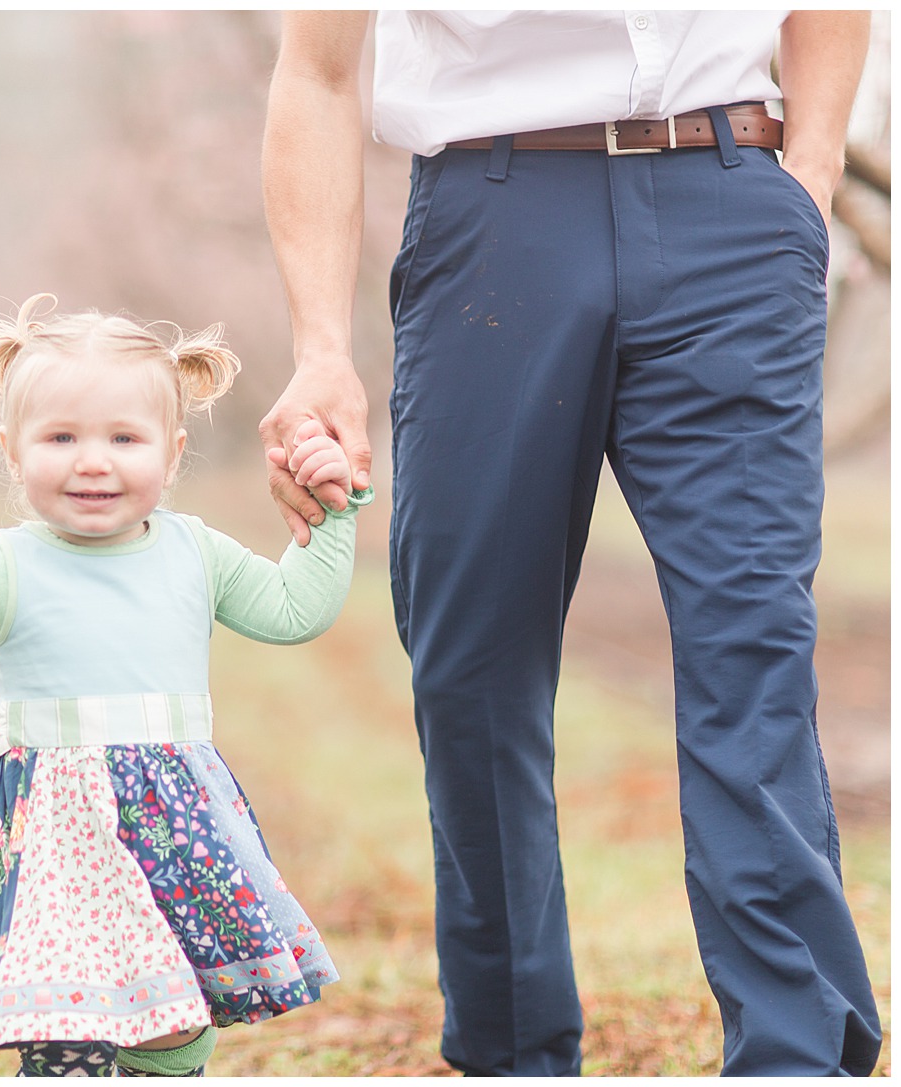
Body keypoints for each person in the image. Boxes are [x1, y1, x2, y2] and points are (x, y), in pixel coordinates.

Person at [257, 9, 881, 1077]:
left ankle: (796, 1053)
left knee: (754, 645)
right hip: (495, 217)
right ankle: (512, 1051)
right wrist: (321, 350)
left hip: (729, 197)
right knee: (472, 662)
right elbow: (316, 72)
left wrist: (809, 189)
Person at [0, 294, 367, 1077]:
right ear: (13, 453)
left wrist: (335, 508)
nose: (93, 460)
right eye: (61, 437)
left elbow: (295, 610)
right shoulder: (6, 563)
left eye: (124, 437)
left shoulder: (194, 552)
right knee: (65, 1031)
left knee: (171, 1020)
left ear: (173, 450)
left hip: (172, 826)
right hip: (53, 834)